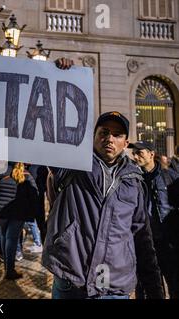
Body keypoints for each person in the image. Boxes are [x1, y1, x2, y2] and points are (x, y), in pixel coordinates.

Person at [43, 111, 163, 299]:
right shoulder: (72, 166)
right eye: (104, 132)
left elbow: (142, 237)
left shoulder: (135, 181)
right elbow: (44, 142)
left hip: (114, 285)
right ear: (94, 136)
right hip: (72, 280)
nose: (110, 139)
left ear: (126, 143)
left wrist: (155, 289)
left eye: (117, 135)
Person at [130, 141, 179, 299]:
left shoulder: (169, 176)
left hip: (169, 242)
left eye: (140, 153)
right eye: (134, 153)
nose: (136, 156)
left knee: (175, 284)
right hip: (145, 243)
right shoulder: (133, 179)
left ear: (151, 154)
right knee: (147, 288)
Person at [0, 162, 39, 279]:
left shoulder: (0, 172)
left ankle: (7, 267)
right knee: (11, 239)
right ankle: (9, 270)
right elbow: (35, 194)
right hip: (18, 212)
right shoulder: (27, 176)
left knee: (3, 236)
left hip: (0, 211)